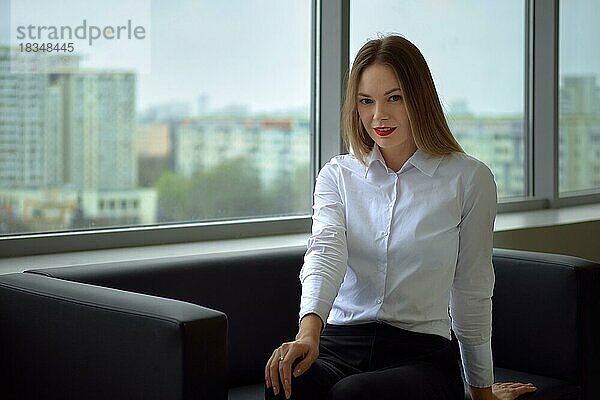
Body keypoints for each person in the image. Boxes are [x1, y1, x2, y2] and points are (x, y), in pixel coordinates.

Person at [264, 35, 537, 400]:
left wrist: (481, 391)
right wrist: (307, 335)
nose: (379, 115)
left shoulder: (468, 179)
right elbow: (325, 253)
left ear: (419, 99)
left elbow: (471, 290)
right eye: (366, 101)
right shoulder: (337, 176)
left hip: (420, 356)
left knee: (354, 395)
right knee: (286, 384)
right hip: (340, 345)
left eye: (395, 98)